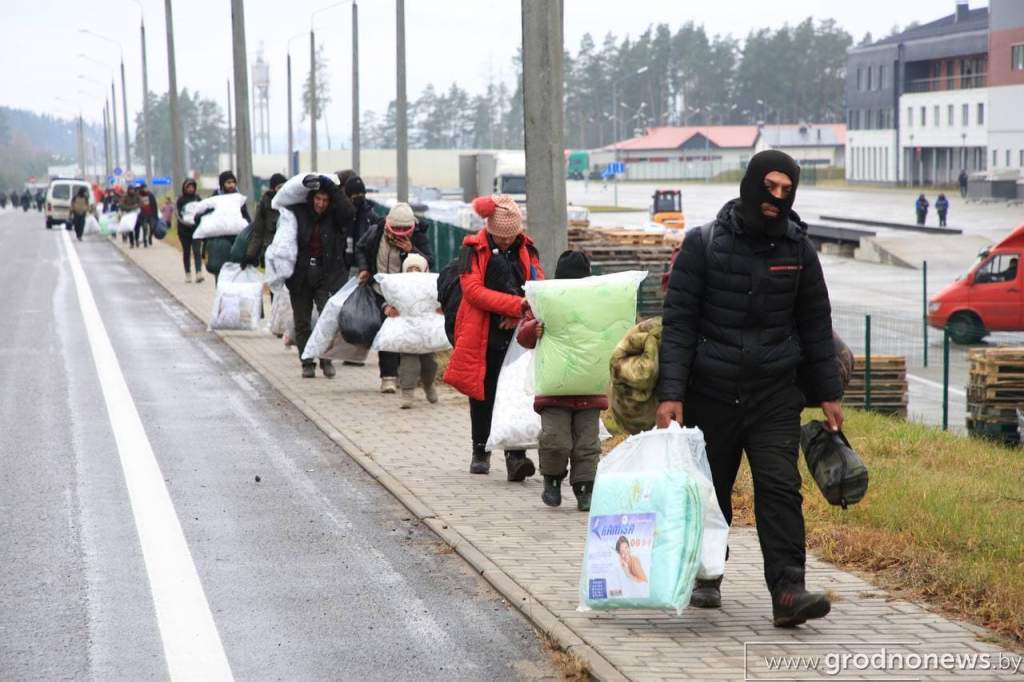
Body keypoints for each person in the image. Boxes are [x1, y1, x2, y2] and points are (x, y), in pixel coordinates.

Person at [656, 150, 843, 627]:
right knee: (709, 490)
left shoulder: (799, 252)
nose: (776, 198)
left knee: (780, 488)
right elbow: (678, 324)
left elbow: (816, 325)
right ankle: (706, 575)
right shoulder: (703, 244)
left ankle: (788, 591)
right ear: (752, 184)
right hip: (710, 392)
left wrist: (828, 392)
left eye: (786, 191)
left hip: (774, 395)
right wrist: (671, 393)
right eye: (770, 187)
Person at [443, 194, 543, 481]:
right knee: (482, 393)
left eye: (510, 238)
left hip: (518, 335)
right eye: (500, 238)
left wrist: (525, 310)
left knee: (514, 392)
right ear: (490, 230)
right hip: (482, 332)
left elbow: (537, 282)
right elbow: (472, 290)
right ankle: (480, 449)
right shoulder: (473, 250)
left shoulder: (528, 248)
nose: (506, 243)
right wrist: (515, 305)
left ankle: (516, 456)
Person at [516, 250, 604, 511]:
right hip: (555, 389)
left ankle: (585, 490)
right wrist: (534, 329)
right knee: (555, 440)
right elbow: (523, 337)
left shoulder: (597, 303)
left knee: (587, 444)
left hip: (589, 389)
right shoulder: (545, 303)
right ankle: (552, 481)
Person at [355, 202, 433, 393]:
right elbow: (361, 248)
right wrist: (364, 268)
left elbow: (429, 262)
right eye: (396, 228)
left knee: (405, 335)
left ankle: (405, 375)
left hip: (408, 295)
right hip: (381, 291)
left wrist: (411, 250)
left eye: (404, 229)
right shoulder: (375, 232)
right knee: (387, 332)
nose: (399, 232)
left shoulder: (419, 236)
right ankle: (388, 377)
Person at [284, 174, 354, 379]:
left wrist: (332, 187)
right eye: (317, 199)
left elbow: (349, 212)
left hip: (327, 274)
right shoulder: (298, 213)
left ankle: (326, 359)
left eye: (325, 200)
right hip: (300, 276)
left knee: (327, 319)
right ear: (311, 198)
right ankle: (307, 362)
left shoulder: (335, 217)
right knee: (302, 322)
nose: (321, 204)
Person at [391, 253, 441, 409]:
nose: (414, 271)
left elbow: (438, 300)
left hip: (426, 331)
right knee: (409, 363)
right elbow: (389, 299)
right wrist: (388, 308)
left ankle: (428, 384)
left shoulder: (431, 285)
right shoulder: (399, 286)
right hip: (407, 330)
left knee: (429, 363)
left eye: (417, 268)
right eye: (410, 268)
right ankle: (407, 393)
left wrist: (440, 308)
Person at [242, 172, 286, 268]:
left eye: (284, 187)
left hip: (286, 255)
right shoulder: (264, 204)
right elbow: (258, 234)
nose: (282, 190)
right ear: (272, 188)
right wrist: (250, 256)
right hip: (268, 254)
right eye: (279, 187)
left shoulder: (291, 204)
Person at [176, 179, 204, 283]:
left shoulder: (198, 198)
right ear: (184, 188)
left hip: (196, 230)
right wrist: (185, 222)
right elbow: (178, 214)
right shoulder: (180, 200)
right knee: (186, 252)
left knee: (197, 251)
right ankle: (188, 274)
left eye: (192, 187)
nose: (190, 189)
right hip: (184, 231)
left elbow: (202, 211)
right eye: (188, 187)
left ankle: (199, 273)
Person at [132, 182, 157, 248]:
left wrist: (155, 215)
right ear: (142, 189)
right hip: (143, 215)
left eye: (146, 188)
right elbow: (135, 204)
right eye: (144, 188)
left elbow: (154, 205)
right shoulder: (139, 195)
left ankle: (150, 237)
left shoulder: (150, 195)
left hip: (151, 214)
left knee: (152, 227)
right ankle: (145, 241)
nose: (146, 189)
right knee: (144, 228)